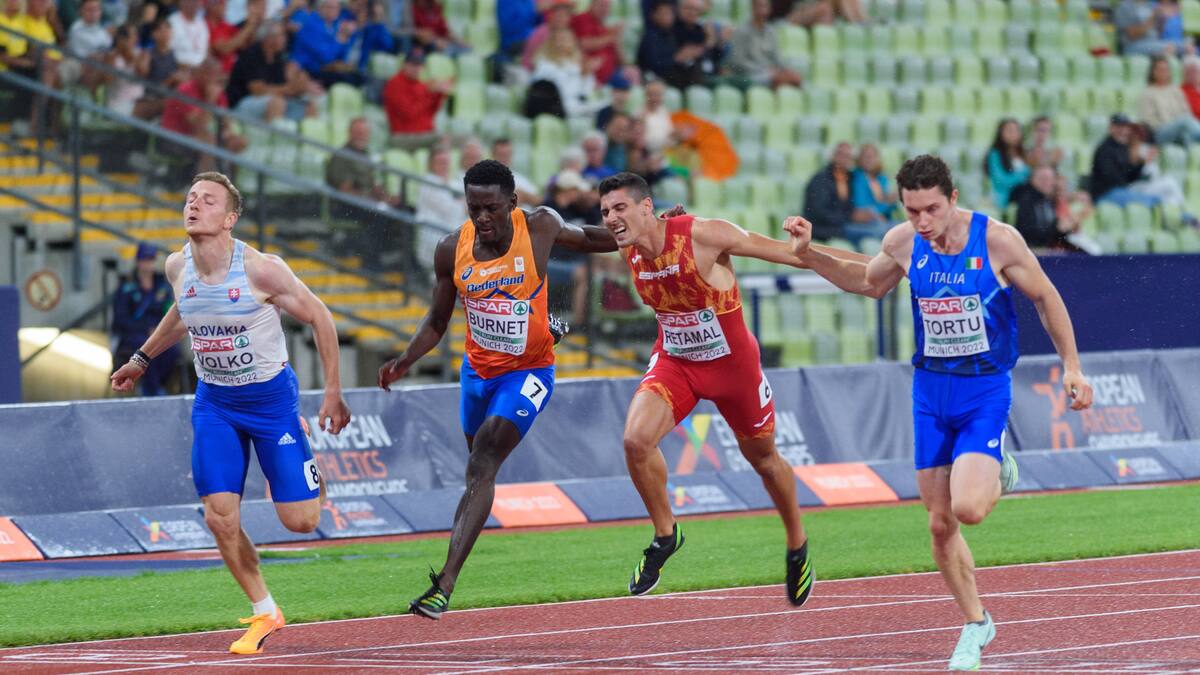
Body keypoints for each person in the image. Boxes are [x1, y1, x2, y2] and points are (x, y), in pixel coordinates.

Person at [784, 154, 1094, 670]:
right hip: (929, 393)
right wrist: (809, 253)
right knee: (939, 525)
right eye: (912, 211)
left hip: (983, 391)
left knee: (970, 508)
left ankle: (1001, 470)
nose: (922, 222)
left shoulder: (997, 241)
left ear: (953, 199)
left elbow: (1046, 296)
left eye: (931, 209)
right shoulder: (904, 243)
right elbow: (867, 282)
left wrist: (1072, 367)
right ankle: (977, 625)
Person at [111, 171, 352, 655]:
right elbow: (183, 312)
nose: (194, 205)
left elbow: (320, 315)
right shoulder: (178, 267)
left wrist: (332, 392)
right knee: (219, 518)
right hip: (215, 404)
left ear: (230, 218)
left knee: (301, 521)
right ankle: (266, 610)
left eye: (208, 200)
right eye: (190, 197)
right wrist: (141, 359)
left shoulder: (262, 270)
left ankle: (305, 462)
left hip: (270, 404)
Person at [597, 172, 861, 606]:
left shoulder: (703, 234)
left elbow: (792, 256)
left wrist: (876, 264)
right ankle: (666, 535)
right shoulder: (625, 246)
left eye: (619, 208)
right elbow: (569, 237)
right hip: (677, 362)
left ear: (647, 207)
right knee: (635, 441)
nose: (611, 218)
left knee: (764, 459)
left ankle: (797, 544)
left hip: (733, 369)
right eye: (605, 211)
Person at [377, 159, 618, 620]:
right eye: (473, 209)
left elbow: (591, 239)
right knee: (475, 468)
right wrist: (405, 360)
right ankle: (547, 324)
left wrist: (645, 232)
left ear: (512, 202)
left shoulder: (541, 226)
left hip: (528, 371)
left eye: (490, 208)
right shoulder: (452, 249)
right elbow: (435, 321)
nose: (482, 218)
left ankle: (444, 584)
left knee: (485, 456)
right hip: (478, 373)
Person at [111, 242, 180, 396]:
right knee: (146, 350)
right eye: (145, 259)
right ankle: (153, 391)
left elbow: (170, 310)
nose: (148, 263)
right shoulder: (126, 287)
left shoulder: (162, 285)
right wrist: (145, 329)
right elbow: (120, 319)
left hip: (159, 330)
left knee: (173, 350)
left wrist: (158, 329)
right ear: (138, 260)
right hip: (133, 334)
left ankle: (156, 387)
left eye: (151, 259)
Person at [381, 48, 452, 150]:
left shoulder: (421, 85)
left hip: (425, 135)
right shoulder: (394, 84)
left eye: (419, 65)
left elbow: (430, 113)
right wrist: (429, 93)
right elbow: (408, 113)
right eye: (413, 64)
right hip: (403, 137)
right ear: (404, 65)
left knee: (468, 141)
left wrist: (438, 94)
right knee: (440, 140)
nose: (417, 68)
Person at [727, 0, 803, 89]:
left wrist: (786, 70)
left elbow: (777, 59)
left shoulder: (771, 32)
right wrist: (766, 71)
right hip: (750, 74)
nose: (763, 10)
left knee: (795, 78)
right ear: (753, 8)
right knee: (779, 80)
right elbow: (738, 62)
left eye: (765, 6)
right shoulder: (741, 31)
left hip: (770, 73)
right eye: (760, 6)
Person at [1137, 55, 1200, 146]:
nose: (1163, 72)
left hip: (1179, 129)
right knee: (1185, 121)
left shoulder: (1176, 90)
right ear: (1153, 72)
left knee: (1186, 134)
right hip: (1159, 132)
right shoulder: (1147, 93)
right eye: (1160, 69)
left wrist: (1177, 126)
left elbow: (1186, 111)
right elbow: (1148, 121)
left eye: (1166, 69)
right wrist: (1172, 124)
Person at [802, 141, 855, 241]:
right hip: (823, 229)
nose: (845, 159)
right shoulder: (820, 179)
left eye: (848, 156)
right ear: (833, 156)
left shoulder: (849, 178)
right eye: (841, 155)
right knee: (876, 232)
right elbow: (818, 212)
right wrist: (849, 218)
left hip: (842, 226)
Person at [984, 118, 1030, 210]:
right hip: (1005, 198)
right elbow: (1000, 181)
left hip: (1023, 195)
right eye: (1009, 130)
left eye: (1016, 130)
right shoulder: (995, 154)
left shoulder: (1025, 153)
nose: (1013, 134)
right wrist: (1025, 173)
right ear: (1000, 133)